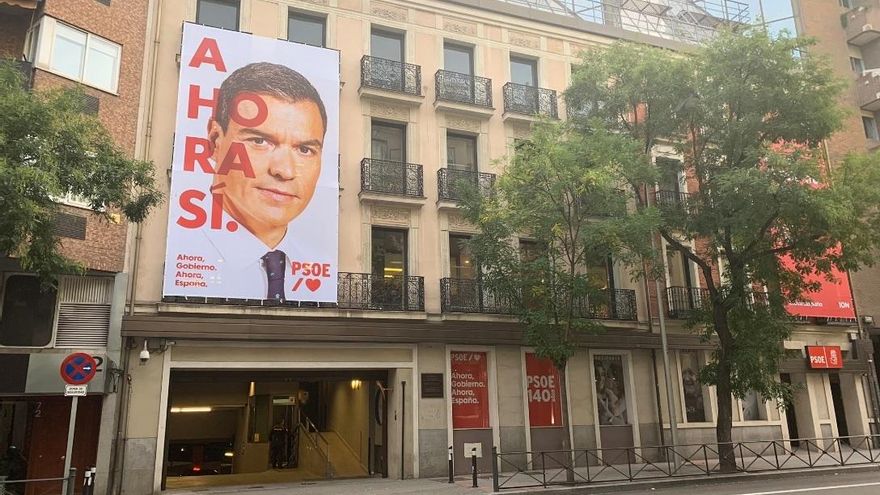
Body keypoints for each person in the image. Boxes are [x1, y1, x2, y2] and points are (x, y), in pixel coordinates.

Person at [184, 62, 329, 301]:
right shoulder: (187, 250)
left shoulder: (318, 263)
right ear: (215, 141)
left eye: (304, 149)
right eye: (260, 141)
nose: (284, 170)